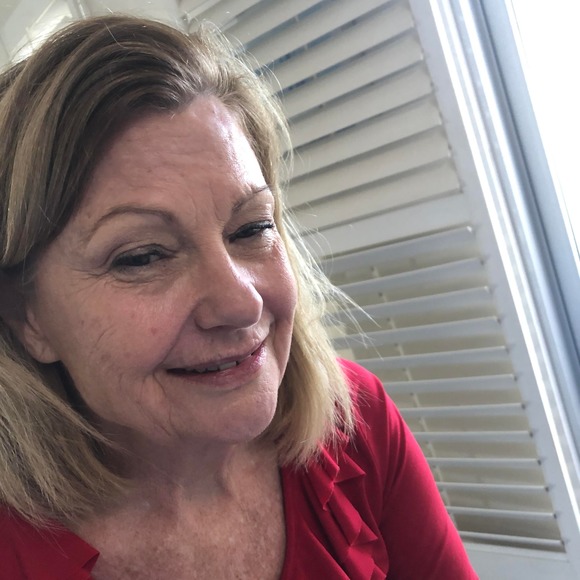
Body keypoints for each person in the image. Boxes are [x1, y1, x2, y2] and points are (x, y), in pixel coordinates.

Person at [0, 15, 478, 579]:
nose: (241, 304)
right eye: (143, 256)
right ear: (27, 317)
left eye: (252, 228)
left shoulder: (356, 422)